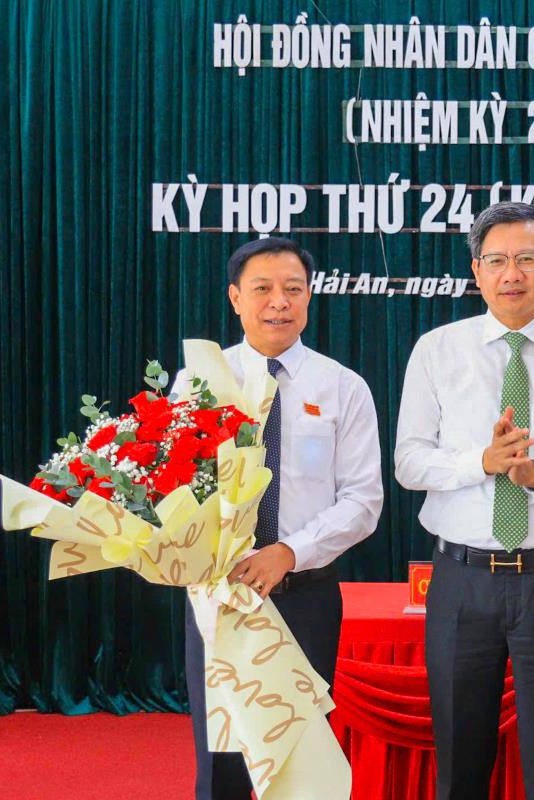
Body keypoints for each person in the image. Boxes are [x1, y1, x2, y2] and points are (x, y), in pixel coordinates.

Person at [394, 202, 534, 800]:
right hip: (460, 578)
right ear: (476, 271)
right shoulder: (437, 350)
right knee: (460, 758)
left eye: (526, 258)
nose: (511, 273)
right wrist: (483, 462)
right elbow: (409, 463)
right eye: (496, 260)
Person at [178, 237, 383, 800]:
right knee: (224, 759)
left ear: (310, 297)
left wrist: (289, 551)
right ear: (235, 298)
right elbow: (173, 490)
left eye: (293, 289)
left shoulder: (343, 387)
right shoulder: (199, 384)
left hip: (305, 596)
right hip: (219, 597)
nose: (279, 302)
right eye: (263, 289)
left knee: (300, 758)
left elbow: (363, 501)